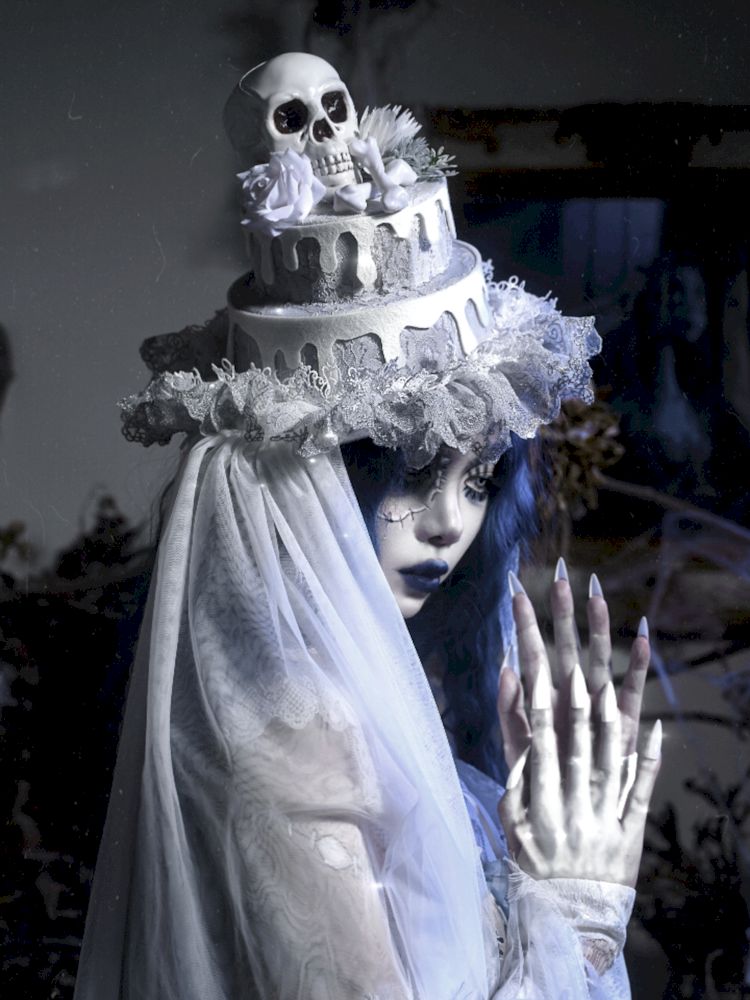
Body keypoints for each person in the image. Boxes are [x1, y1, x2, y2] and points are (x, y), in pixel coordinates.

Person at [73, 55, 659, 997]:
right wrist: (577, 920)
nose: (449, 526)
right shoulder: (299, 753)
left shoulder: (344, 703)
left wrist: (531, 861)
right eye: (412, 473)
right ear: (300, 478)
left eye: (479, 480)